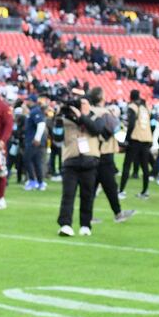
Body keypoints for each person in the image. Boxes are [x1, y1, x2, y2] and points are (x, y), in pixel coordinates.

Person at [56, 89, 103, 236]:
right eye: (79, 104)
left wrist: (81, 116)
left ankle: (85, 225)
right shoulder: (66, 119)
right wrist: (59, 117)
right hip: (71, 160)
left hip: (89, 161)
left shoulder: (96, 117)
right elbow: (57, 139)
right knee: (68, 194)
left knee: (87, 195)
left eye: (84, 103)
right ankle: (65, 224)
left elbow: (96, 130)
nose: (81, 106)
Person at [90, 89, 133, 224]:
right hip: (104, 154)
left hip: (92, 153)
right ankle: (118, 214)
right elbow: (117, 130)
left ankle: (88, 216)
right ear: (101, 98)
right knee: (110, 186)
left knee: (91, 187)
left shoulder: (89, 112)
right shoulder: (105, 113)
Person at [119, 89, 154, 198]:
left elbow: (132, 124)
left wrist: (127, 139)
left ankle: (121, 191)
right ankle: (145, 191)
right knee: (144, 166)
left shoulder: (133, 107)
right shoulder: (145, 107)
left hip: (135, 139)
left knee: (127, 165)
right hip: (146, 139)